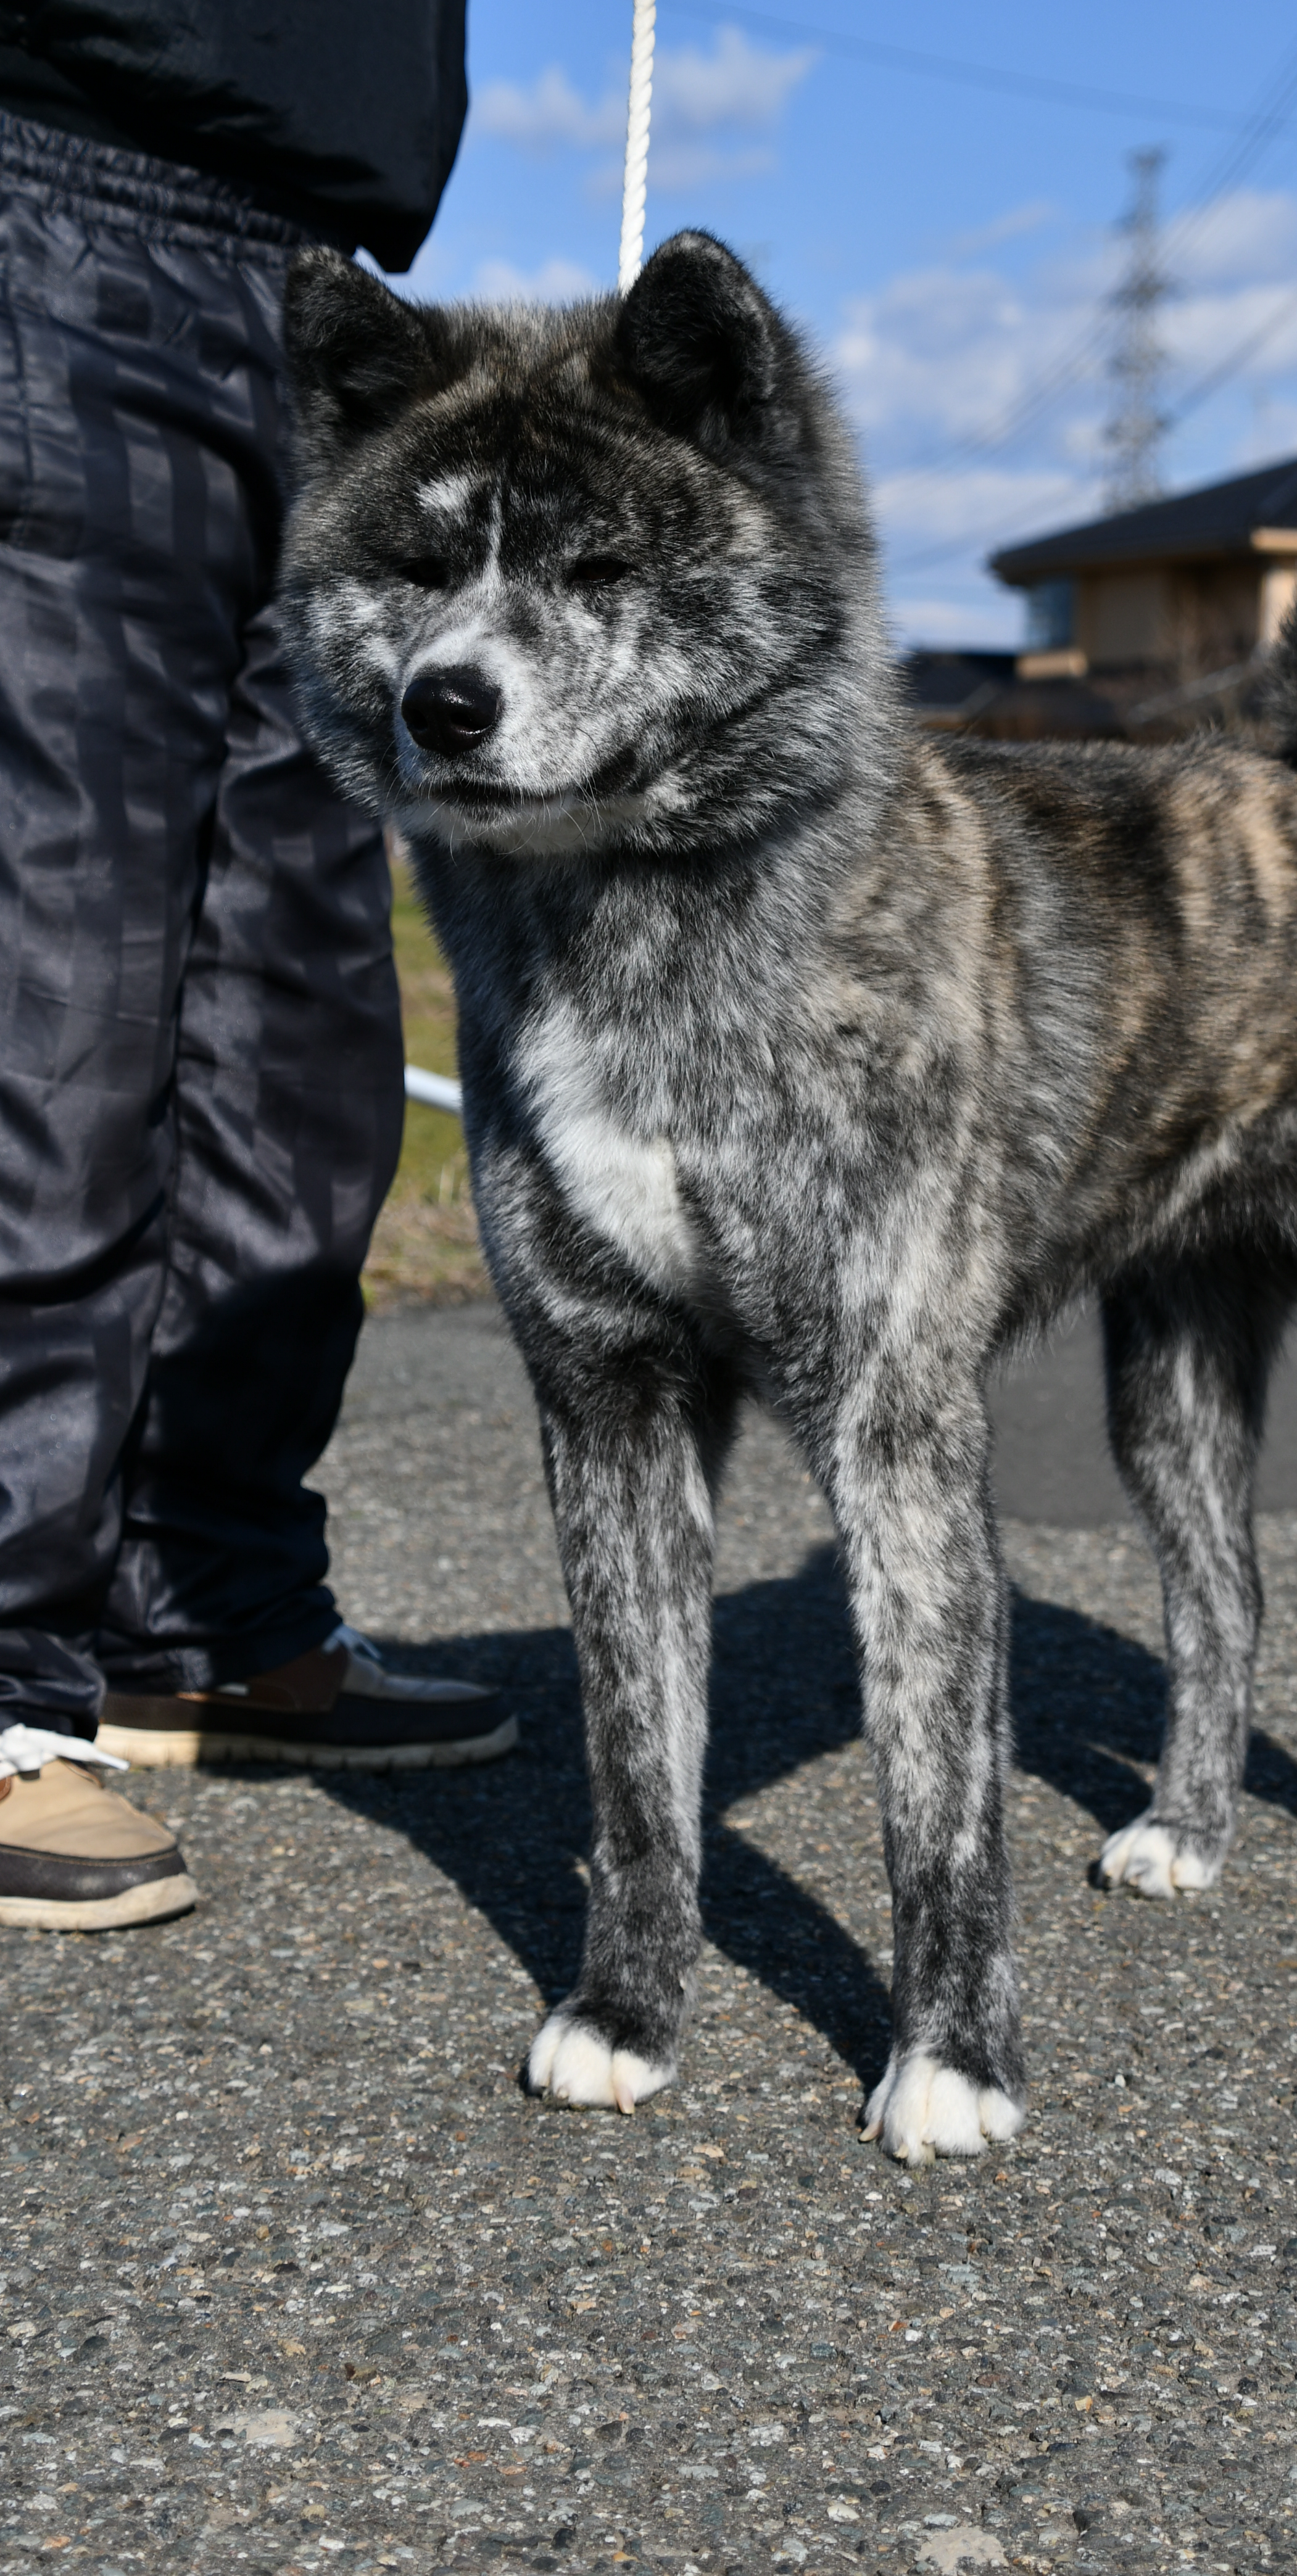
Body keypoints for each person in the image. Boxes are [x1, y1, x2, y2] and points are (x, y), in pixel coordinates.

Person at [0, 2, 513, 1936]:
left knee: (300, 1005)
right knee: (61, 964)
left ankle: (198, 1603)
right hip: (45, 180)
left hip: (320, 273)